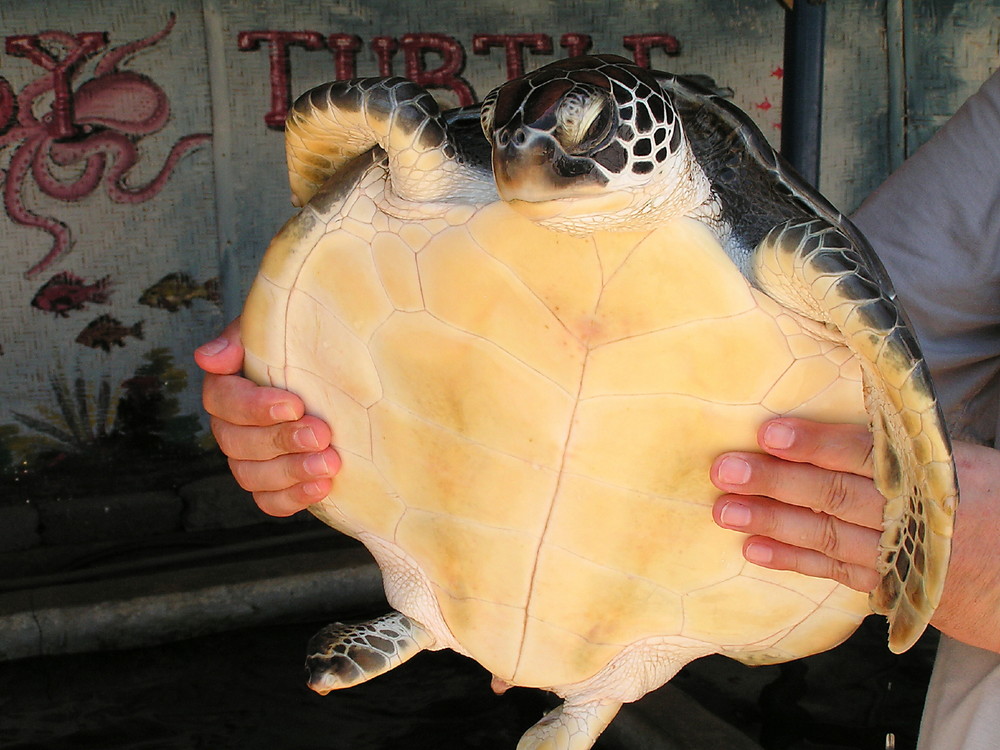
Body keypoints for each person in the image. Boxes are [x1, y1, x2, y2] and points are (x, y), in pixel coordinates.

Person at [196, 68, 1000, 748]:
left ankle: (599, 682)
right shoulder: (801, 264)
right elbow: (893, 365)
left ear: (659, 137)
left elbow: (901, 373)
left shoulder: (801, 260)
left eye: (577, 135)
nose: (527, 162)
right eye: (510, 136)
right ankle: (436, 612)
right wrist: (301, 354)